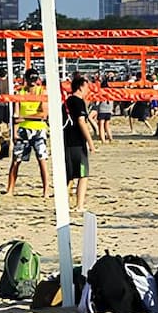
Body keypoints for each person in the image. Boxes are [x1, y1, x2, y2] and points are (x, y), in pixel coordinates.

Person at [6, 69, 51, 198]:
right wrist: (14, 132)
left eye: (34, 79)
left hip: (38, 129)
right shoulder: (20, 93)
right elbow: (15, 116)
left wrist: (25, 117)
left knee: (42, 160)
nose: (32, 82)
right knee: (16, 160)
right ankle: (10, 189)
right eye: (30, 79)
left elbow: (43, 114)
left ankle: (46, 190)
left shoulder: (41, 92)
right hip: (24, 129)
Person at [63, 73, 95, 210]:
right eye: (87, 87)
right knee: (83, 174)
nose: (88, 90)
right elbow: (81, 121)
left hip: (66, 140)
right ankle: (79, 205)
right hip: (77, 141)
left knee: (69, 175)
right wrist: (91, 142)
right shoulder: (78, 101)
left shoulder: (66, 101)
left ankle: (63, 204)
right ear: (81, 87)